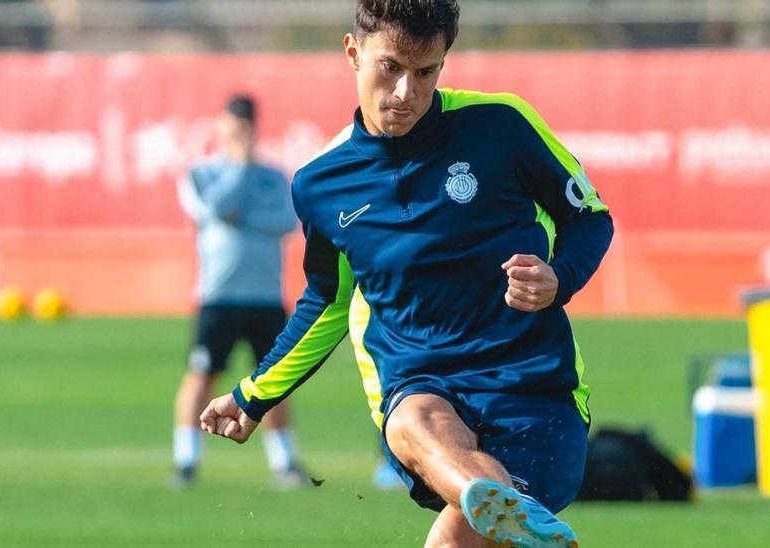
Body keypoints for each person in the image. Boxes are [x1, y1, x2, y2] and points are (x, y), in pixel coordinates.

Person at [200, 1, 612, 546]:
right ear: (354, 52)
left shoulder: (501, 124)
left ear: (445, 62)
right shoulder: (321, 184)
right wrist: (255, 394)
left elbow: (588, 218)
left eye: (426, 73)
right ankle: (516, 521)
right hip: (423, 383)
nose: (405, 93)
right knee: (411, 419)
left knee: (447, 544)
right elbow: (327, 301)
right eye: (389, 67)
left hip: (534, 388)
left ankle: (516, 523)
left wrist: (559, 277)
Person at [172, 94, 305, 489]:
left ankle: (284, 461)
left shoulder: (273, 175)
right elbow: (211, 209)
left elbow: (285, 220)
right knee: (202, 374)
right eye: (234, 123)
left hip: (265, 297)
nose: (241, 130)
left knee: (276, 380)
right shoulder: (203, 172)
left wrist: (241, 216)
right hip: (218, 295)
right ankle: (186, 460)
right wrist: (237, 166)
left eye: (247, 124)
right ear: (221, 125)